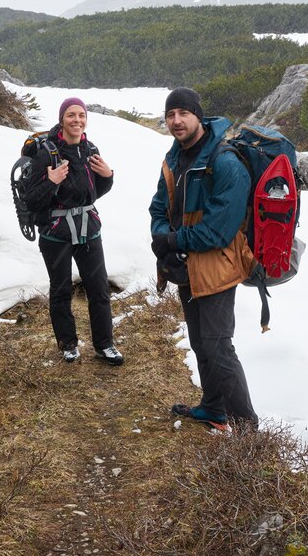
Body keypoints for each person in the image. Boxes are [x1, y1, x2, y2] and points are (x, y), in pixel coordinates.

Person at [149, 87, 259, 429]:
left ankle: (248, 430)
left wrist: (171, 239)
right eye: (170, 115)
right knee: (200, 342)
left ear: (199, 115)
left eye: (183, 113)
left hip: (217, 265)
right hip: (186, 266)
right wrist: (162, 234)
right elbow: (157, 206)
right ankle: (213, 408)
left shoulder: (224, 162)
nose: (177, 121)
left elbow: (218, 231)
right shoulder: (175, 157)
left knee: (218, 346)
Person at [22, 97, 123, 365]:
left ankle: (105, 345)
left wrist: (108, 176)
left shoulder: (90, 149)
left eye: (81, 115)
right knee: (61, 290)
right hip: (56, 233)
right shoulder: (48, 153)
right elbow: (31, 200)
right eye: (71, 115)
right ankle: (68, 344)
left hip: (88, 229)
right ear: (62, 119)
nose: (77, 120)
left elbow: (91, 194)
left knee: (99, 289)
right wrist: (51, 182)